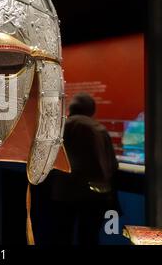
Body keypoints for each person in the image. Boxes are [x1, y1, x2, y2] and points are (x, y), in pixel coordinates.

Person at [49, 93, 119, 245]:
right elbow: (112, 165)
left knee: (62, 235)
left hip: (63, 193)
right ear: (91, 110)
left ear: (71, 109)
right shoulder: (98, 129)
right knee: (89, 237)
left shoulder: (60, 128)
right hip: (92, 195)